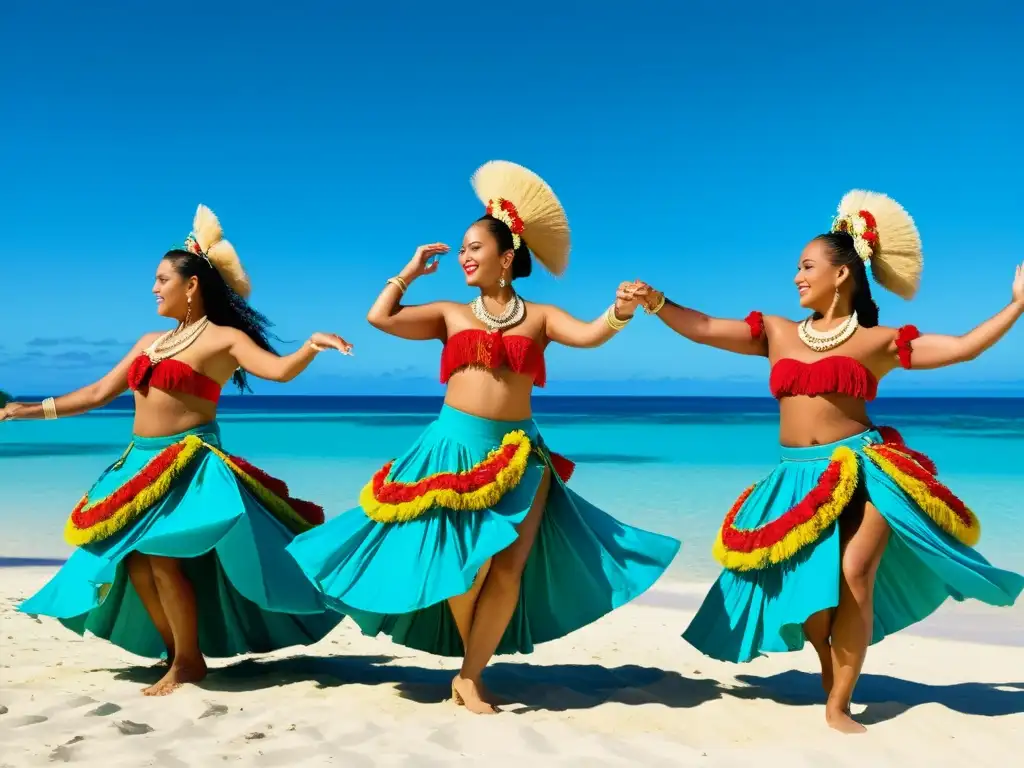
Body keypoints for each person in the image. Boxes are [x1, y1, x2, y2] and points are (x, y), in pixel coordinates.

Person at [287, 161, 681, 714]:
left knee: (509, 568)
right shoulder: (450, 312)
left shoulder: (539, 316)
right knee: (462, 566)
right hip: (452, 449)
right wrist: (410, 271)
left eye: (475, 247)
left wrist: (620, 311)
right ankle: (470, 664)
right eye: (463, 249)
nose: (465, 257)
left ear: (507, 254)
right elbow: (381, 317)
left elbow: (591, 336)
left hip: (521, 454)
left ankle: (470, 675)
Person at [633, 190, 1024, 733]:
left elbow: (962, 348)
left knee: (855, 575)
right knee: (814, 606)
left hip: (867, 470)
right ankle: (829, 660)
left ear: (842, 275)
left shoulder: (878, 341)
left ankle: (839, 704)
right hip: (798, 476)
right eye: (797, 267)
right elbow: (702, 327)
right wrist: (656, 302)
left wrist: (1017, 304)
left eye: (807, 266)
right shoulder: (776, 332)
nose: (796, 276)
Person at [2, 205, 353, 696]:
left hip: (189, 463)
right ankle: (178, 654)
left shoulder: (224, 339)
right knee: (137, 561)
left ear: (191, 286)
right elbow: (99, 394)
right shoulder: (150, 342)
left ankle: (188, 661)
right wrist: (30, 410)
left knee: (162, 556)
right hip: (138, 463)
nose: (153, 288)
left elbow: (278, 371)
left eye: (162, 279)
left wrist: (310, 347)